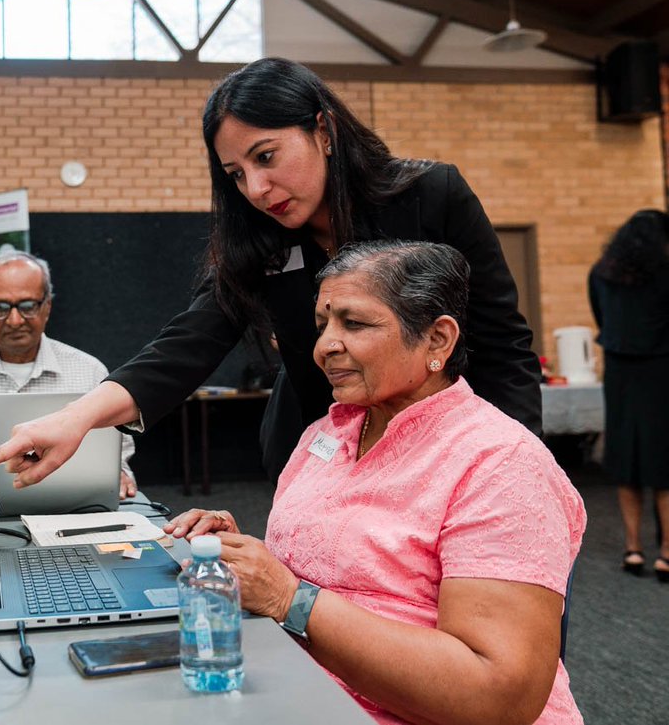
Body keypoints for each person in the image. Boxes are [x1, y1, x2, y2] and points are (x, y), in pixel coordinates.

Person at [0, 57, 539, 492]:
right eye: (236, 173)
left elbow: (503, 343)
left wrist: (520, 469)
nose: (256, 190)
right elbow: (186, 347)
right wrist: (76, 420)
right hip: (321, 443)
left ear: (324, 130)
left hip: (444, 437)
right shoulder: (258, 241)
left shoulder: (430, 196)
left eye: (266, 157)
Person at [167, 241, 585, 725]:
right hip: (300, 692)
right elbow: (344, 569)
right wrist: (238, 554)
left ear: (436, 341)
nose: (324, 346)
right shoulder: (329, 432)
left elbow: (498, 697)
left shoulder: (501, 464)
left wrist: (287, 597)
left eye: (355, 323)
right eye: (323, 325)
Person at [0, 251, 138, 497]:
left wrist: (120, 474)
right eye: (0, 307)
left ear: (47, 305)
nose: (15, 320)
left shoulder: (90, 371)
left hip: (74, 511)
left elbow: (117, 456)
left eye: (28, 306)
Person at [588, 209, 669, 581]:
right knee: (663, 466)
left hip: (619, 374)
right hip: (660, 372)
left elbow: (602, 319)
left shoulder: (601, 274)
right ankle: (666, 553)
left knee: (626, 464)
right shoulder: (665, 275)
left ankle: (633, 549)